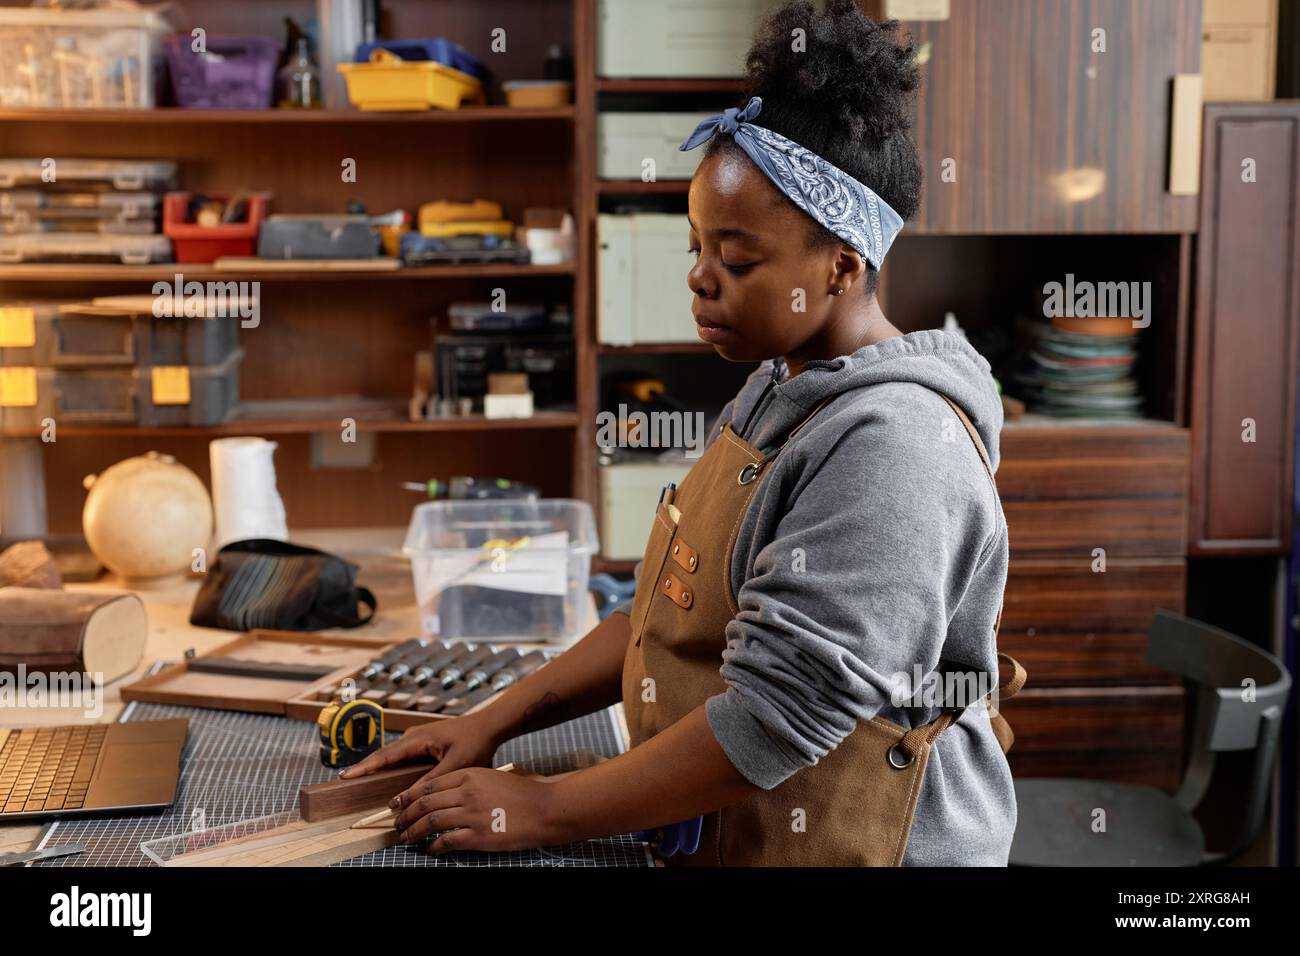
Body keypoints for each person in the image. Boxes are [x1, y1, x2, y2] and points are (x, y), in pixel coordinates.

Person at [343, 0, 1021, 866]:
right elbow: (662, 611)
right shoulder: (778, 389)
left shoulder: (897, 448)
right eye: (696, 247)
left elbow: (780, 716)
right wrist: (491, 719)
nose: (701, 281)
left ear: (844, 265)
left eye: (738, 261)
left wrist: (543, 809)